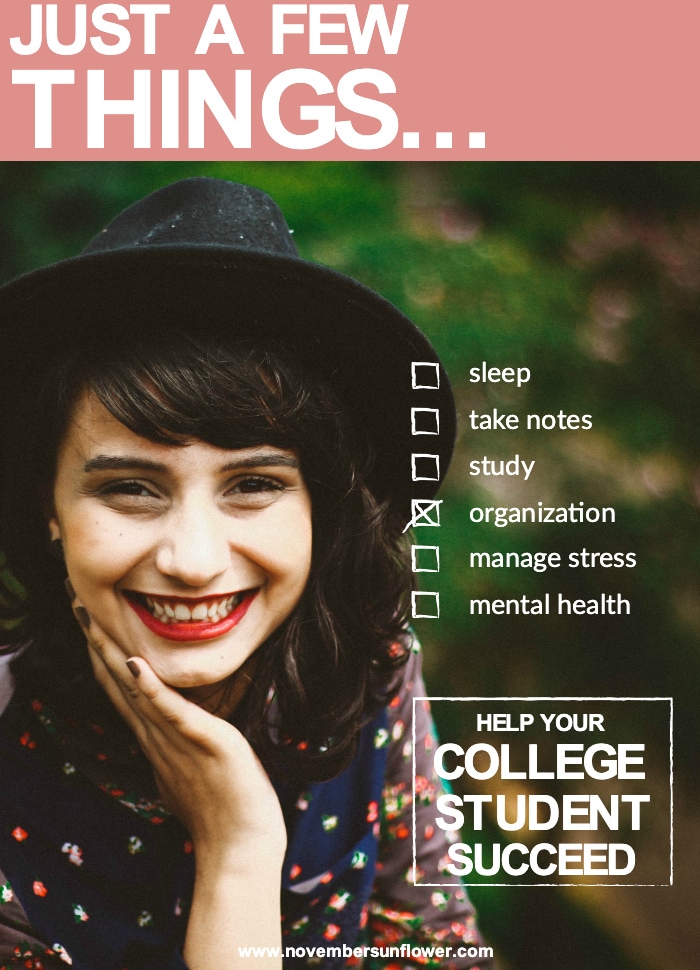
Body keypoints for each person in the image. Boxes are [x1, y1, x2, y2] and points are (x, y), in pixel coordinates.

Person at [0, 178, 490, 970]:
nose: (193, 562)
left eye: (254, 485)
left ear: (319, 511)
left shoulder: (376, 676)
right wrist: (237, 853)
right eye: (129, 489)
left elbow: (440, 942)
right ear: (47, 508)